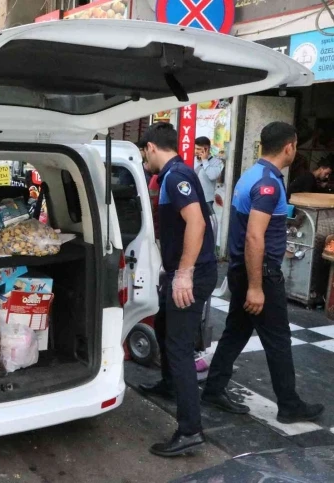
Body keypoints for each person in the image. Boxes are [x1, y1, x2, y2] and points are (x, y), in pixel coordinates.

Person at [202, 122, 324, 424]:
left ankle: (214, 388)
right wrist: (256, 287)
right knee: (279, 340)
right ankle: (289, 404)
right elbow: (254, 236)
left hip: (245, 269)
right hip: (260, 276)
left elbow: (257, 231)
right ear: (290, 147)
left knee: (236, 331)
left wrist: (275, 246)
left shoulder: (253, 174)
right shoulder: (269, 183)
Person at [138, 122, 218, 457]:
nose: (144, 161)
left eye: (144, 154)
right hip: (182, 271)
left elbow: (198, 222)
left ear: (153, 147)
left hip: (192, 274)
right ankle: (170, 384)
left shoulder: (175, 176)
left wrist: (183, 274)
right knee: (167, 327)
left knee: (180, 349)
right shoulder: (178, 172)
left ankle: (190, 431)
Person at [194, 137, 224, 215]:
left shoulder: (217, 162)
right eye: (195, 148)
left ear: (207, 149)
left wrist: (205, 160)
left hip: (207, 200)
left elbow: (212, 176)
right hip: (193, 199)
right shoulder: (193, 160)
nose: (196, 151)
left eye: (199, 149)